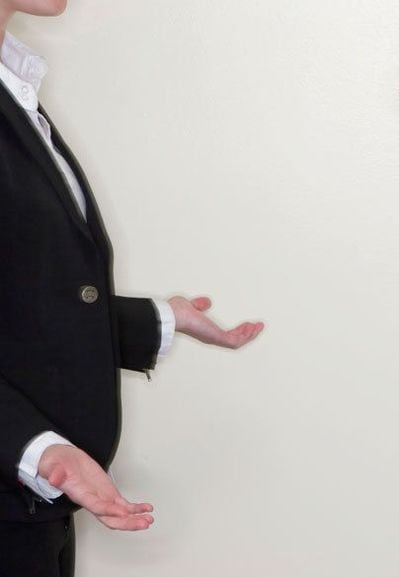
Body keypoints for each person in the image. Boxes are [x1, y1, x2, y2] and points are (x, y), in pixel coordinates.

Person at [0, 1, 264, 576]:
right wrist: (35, 448)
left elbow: (20, 295)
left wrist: (160, 319)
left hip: (34, 510)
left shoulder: (14, 84)